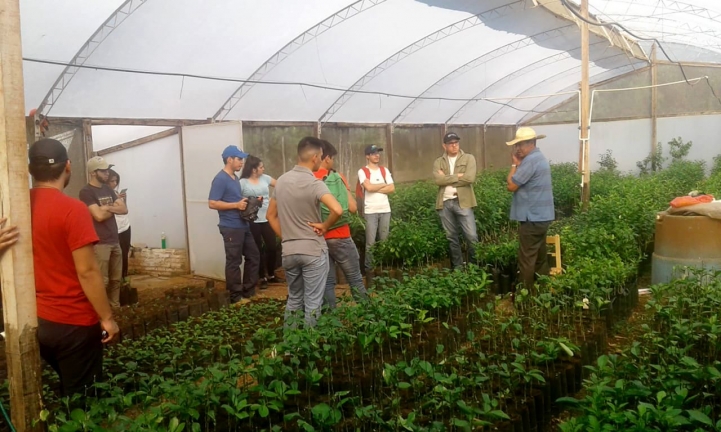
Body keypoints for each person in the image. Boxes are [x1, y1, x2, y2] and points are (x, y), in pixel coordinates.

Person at [29, 138, 119, 397]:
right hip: (73, 322)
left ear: (30, 170)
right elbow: (88, 271)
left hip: (38, 320)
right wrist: (107, 318)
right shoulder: (73, 210)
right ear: (68, 167)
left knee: (66, 389)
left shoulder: (18, 207)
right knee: (85, 402)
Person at [266, 137, 342, 328]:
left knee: (294, 299)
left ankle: (290, 345)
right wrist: (324, 226)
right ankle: (308, 346)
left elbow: (270, 216)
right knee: (313, 303)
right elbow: (338, 210)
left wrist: (286, 237)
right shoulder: (314, 183)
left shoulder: (281, 181)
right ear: (315, 157)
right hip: (313, 251)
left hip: (289, 251)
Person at [314, 140, 369, 308]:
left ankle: (331, 321)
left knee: (328, 282)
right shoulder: (337, 177)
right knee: (355, 279)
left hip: (318, 238)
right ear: (328, 158)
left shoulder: (309, 179)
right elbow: (352, 208)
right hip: (341, 236)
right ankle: (370, 315)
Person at [208, 145, 261, 305]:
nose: (241, 162)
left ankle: (248, 291)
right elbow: (212, 203)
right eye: (239, 159)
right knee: (234, 260)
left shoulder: (235, 178)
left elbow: (234, 199)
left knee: (254, 255)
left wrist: (250, 201)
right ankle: (235, 297)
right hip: (230, 226)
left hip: (242, 225)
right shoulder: (220, 179)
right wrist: (236, 206)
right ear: (229, 159)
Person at [505, 127, 555, 293]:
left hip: (532, 218)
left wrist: (514, 164)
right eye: (517, 144)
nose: (518, 148)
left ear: (532, 143)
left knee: (526, 259)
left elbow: (511, 185)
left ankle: (525, 296)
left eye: (521, 144)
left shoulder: (531, 161)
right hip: (541, 218)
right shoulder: (538, 158)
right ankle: (543, 291)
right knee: (540, 256)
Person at [79, 156, 128, 308]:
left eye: (107, 170)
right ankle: (102, 312)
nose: (107, 173)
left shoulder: (108, 189)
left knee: (115, 279)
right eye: (104, 171)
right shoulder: (86, 192)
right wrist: (113, 209)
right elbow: (98, 216)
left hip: (114, 240)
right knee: (102, 280)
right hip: (100, 242)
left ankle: (115, 307)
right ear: (93, 172)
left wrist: (107, 208)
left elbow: (124, 209)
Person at [433, 132, 479, 269]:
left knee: (471, 236)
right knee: (451, 237)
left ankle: (473, 267)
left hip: (463, 201)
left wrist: (447, 178)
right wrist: (458, 176)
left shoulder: (469, 158)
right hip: (445, 203)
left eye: (456, 143)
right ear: (444, 146)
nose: (454, 145)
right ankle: (458, 268)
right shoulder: (438, 162)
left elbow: (470, 178)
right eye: (451, 143)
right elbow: (438, 180)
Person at [239, 156, 280, 290]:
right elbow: (237, 199)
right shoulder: (243, 182)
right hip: (253, 220)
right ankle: (261, 276)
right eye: (261, 167)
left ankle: (271, 274)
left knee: (272, 247)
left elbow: (280, 185)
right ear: (253, 169)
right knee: (257, 249)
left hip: (267, 217)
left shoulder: (265, 178)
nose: (263, 169)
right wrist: (251, 200)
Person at [357, 144, 395, 274]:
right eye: (373, 153)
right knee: (370, 243)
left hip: (385, 210)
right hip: (370, 211)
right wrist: (384, 185)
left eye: (378, 153)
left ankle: (383, 267)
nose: (377, 155)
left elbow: (392, 188)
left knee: (384, 241)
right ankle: (369, 271)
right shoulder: (363, 171)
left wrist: (375, 186)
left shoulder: (384, 170)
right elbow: (369, 188)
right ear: (367, 156)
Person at [107, 169, 131, 283]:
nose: (115, 184)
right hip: (115, 229)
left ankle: (124, 277)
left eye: (116, 181)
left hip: (125, 226)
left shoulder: (116, 193)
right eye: (112, 181)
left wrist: (123, 199)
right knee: (117, 255)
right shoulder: (104, 195)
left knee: (125, 253)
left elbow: (125, 209)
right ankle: (116, 279)